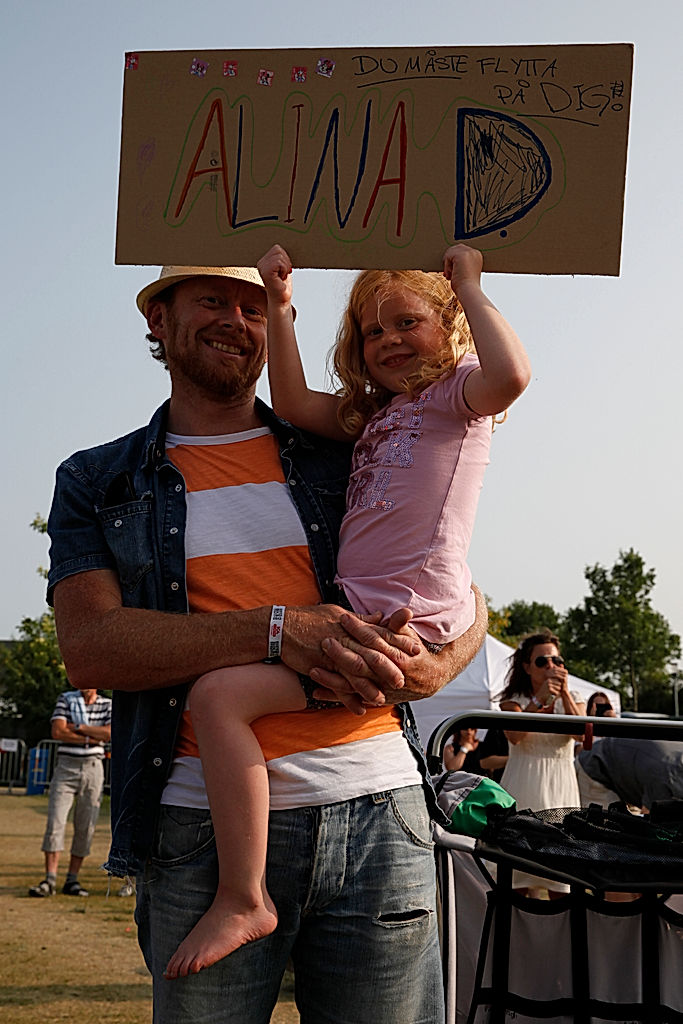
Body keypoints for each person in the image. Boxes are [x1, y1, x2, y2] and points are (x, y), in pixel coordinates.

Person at [46, 260, 491, 1024]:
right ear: (157, 319)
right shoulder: (100, 480)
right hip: (200, 829)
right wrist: (277, 630)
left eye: (254, 308)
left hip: (380, 809)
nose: (236, 321)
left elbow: (462, 583)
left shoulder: (343, 445)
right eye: (211, 301)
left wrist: (438, 661)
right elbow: (91, 648)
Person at [161, 241, 530, 980]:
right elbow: (295, 405)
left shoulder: (458, 395)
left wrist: (471, 285)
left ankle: (243, 895)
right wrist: (282, 303)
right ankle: (249, 889)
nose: (388, 341)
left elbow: (511, 373)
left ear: (451, 325)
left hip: (402, 620)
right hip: (364, 614)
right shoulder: (379, 416)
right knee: (227, 699)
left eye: (407, 323)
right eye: (371, 331)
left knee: (218, 697)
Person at [497, 630, 586, 896]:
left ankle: (563, 938)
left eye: (557, 661)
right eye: (542, 661)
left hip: (561, 789)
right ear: (527, 667)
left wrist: (565, 695)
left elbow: (581, 734)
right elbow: (514, 736)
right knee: (515, 881)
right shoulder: (513, 702)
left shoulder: (574, 699)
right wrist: (538, 701)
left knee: (562, 880)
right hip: (524, 784)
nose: (551, 666)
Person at [28, 687, 112, 898]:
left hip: (93, 767)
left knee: (86, 825)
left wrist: (77, 728)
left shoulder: (107, 704)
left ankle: (72, 878)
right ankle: (50, 879)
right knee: (55, 822)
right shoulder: (66, 699)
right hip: (66, 766)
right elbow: (57, 732)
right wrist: (92, 736)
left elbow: (110, 733)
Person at [577, 737, 683, 812]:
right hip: (597, 767)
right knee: (604, 829)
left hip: (628, 769)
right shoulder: (667, 780)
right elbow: (651, 820)